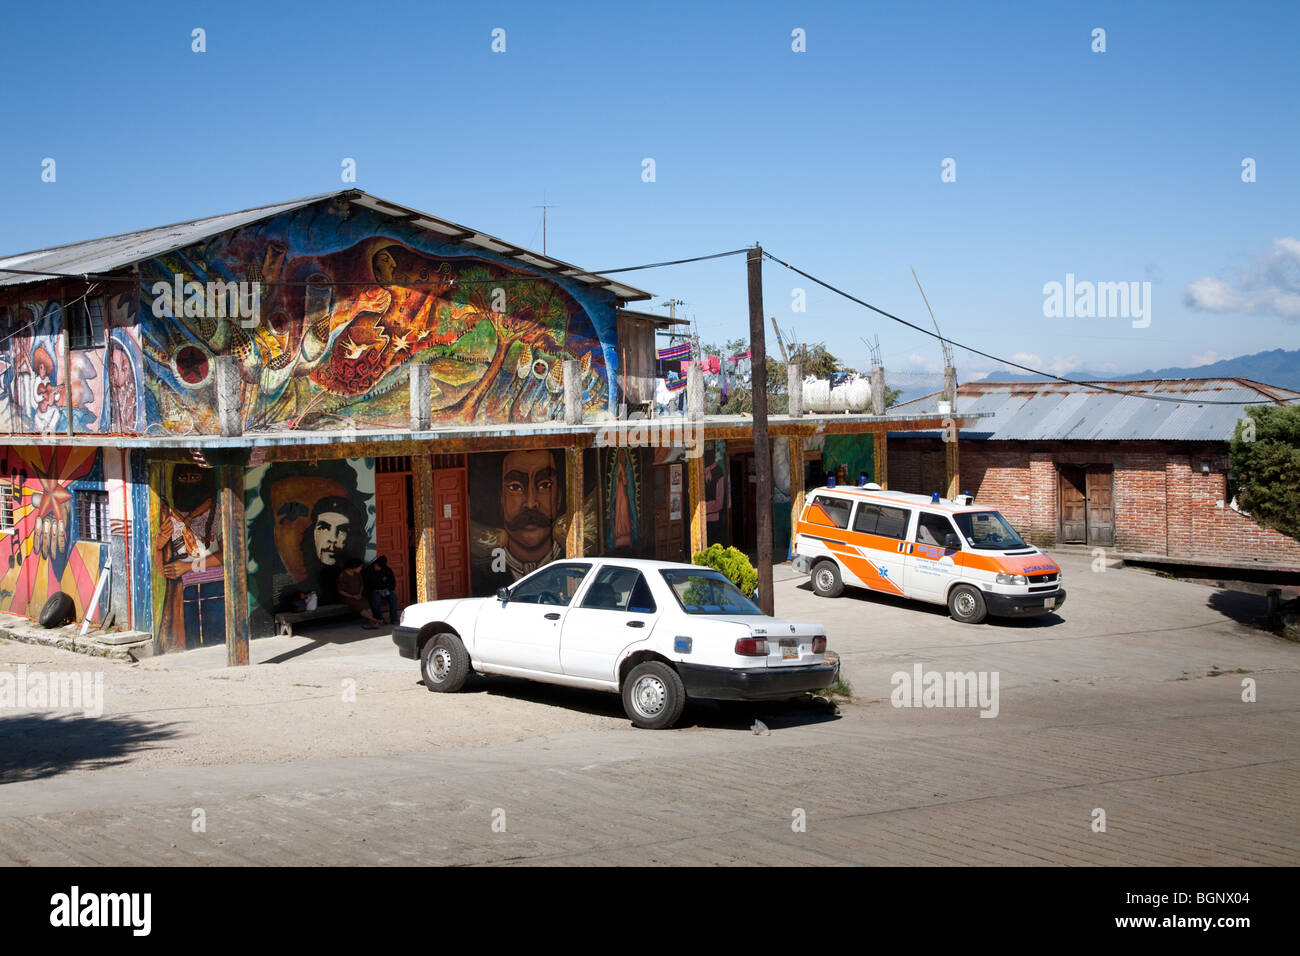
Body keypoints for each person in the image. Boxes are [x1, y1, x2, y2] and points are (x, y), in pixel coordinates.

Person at [336, 557, 382, 629]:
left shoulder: (357, 574)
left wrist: (359, 594)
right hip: (347, 597)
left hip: (358, 595)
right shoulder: (343, 575)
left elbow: (361, 585)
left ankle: (372, 622)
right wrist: (352, 596)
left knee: (366, 603)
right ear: (354, 567)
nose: (361, 569)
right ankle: (374, 620)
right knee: (358, 605)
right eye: (360, 567)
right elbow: (340, 591)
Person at [365, 555, 399, 625]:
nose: (378, 568)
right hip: (374, 591)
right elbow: (366, 585)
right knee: (376, 599)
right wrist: (377, 590)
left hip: (385, 591)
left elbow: (393, 584)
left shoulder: (387, 570)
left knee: (393, 598)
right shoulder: (369, 570)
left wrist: (387, 590)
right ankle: (379, 619)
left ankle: (394, 618)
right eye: (377, 566)